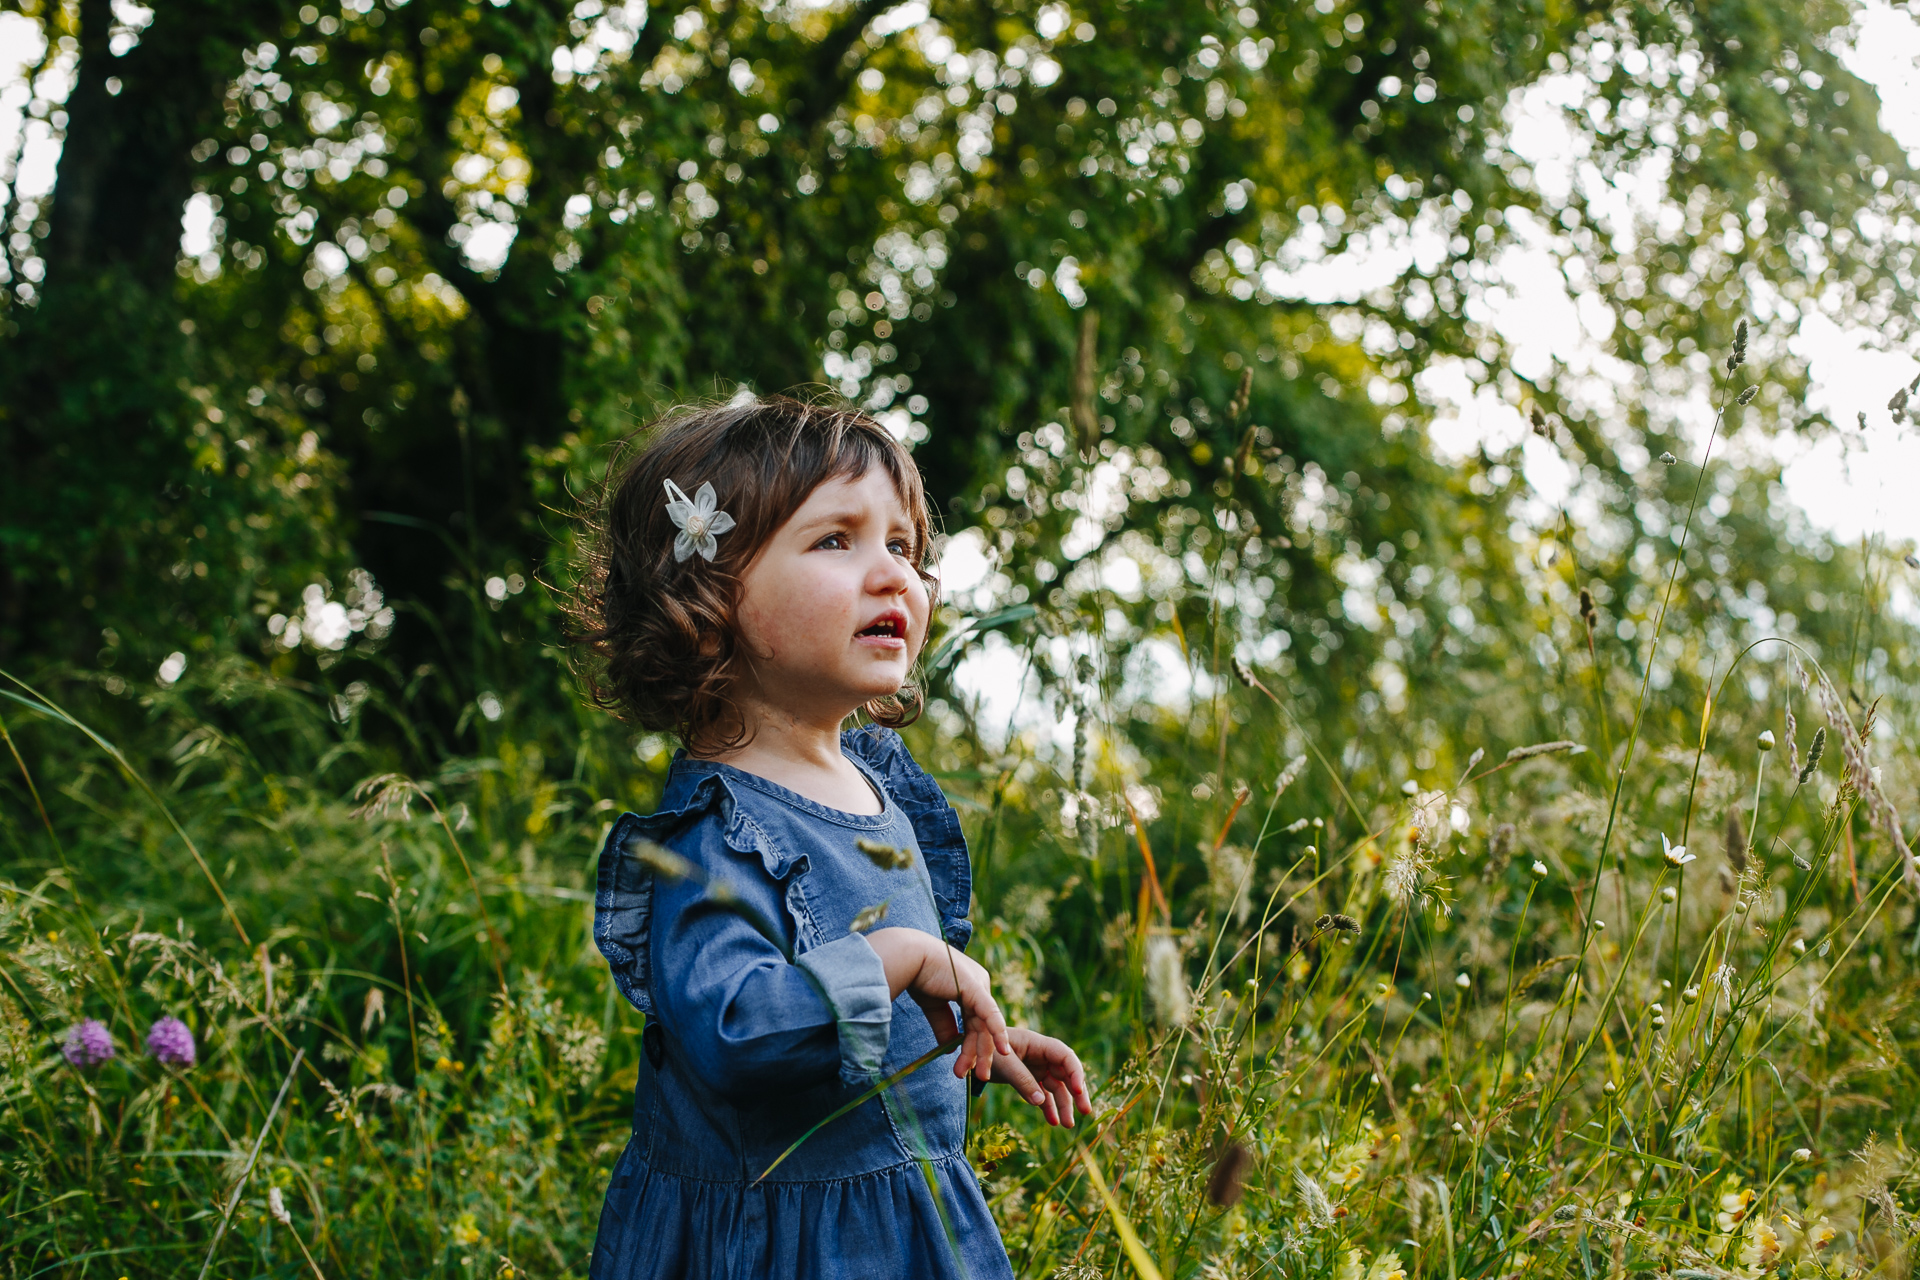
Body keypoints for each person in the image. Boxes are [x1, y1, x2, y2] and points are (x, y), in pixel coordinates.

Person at [567, 394, 1093, 1279]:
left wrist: (968, 1036)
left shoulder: (880, 783)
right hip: (783, 1243)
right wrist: (896, 956)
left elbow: (871, 1011)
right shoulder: (714, 829)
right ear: (711, 596)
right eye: (835, 541)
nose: (895, 576)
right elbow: (735, 1033)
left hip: (896, 1218)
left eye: (902, 546)